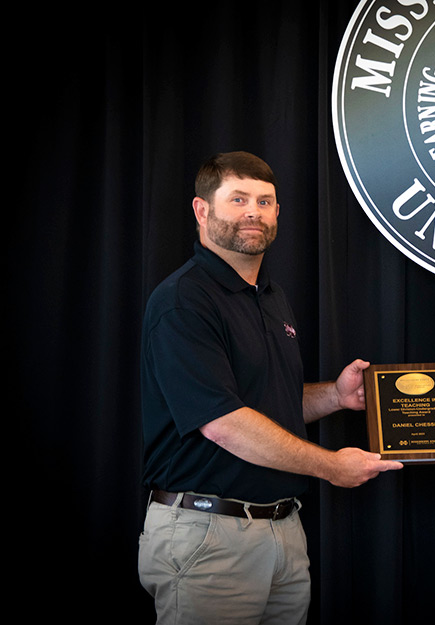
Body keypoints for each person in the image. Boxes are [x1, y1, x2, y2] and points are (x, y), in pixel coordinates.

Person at [138, 151, 402, 624]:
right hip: (208, 535)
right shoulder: (184, 302)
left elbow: (266, 405)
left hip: (282, 530)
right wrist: (330, 467)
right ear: (202, 210)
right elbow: (224, 424)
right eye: (238, 199)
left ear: (278, 212)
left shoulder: (270, 297)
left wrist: (336, 397)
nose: (253, 212)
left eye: (265, 201)